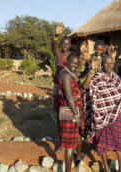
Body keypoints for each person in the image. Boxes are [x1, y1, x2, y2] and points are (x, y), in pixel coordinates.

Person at [85, 55, 121, 172]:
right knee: (102, 142)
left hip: (117, 116)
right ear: (102, 64)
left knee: (119, 141)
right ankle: (106, 168)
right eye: (107, 63)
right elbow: (86, 87)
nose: (109, 65)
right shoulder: (96, 77)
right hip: (101, 115)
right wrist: (92, 70)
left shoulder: (117, 78)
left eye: (111, 63)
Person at [56, 53, 85, 172]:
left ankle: (75, 160)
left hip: (67, 110)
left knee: (73, 142)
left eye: (77, 64)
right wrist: (77, 115)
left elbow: (69, 94)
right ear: (67, 61)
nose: (75, 66)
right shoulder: (66, 75)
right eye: (73, 63)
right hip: (70, 112)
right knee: (69, 147)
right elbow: (68, 97)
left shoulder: (65, 72)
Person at [51, 22, 72, 150]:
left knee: (68, 116)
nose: (65, 45)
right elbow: (52, 46)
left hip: (69, 89)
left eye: (67, 43)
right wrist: (56, 36)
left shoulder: (72, 56)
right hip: (59, 89)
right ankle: (61, 141)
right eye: (62, 43)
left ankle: (69, 141)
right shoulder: (58, 55)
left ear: (70, 45)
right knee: (60, 116)